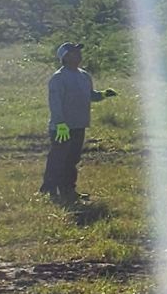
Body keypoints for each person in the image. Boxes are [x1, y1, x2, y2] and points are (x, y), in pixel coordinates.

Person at [40, 43, 113, 203]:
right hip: (62, 128)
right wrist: (60, 123)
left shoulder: (84, 76)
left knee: (72, 159)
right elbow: (55, 102)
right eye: (74, 52)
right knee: (58, 159)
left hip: (79, 125)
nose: (79, 55)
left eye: (79, 52)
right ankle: (50, 191)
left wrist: (103, 94)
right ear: (65, 57)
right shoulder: (58, 78)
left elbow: (90, 95)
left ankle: (68, 190)